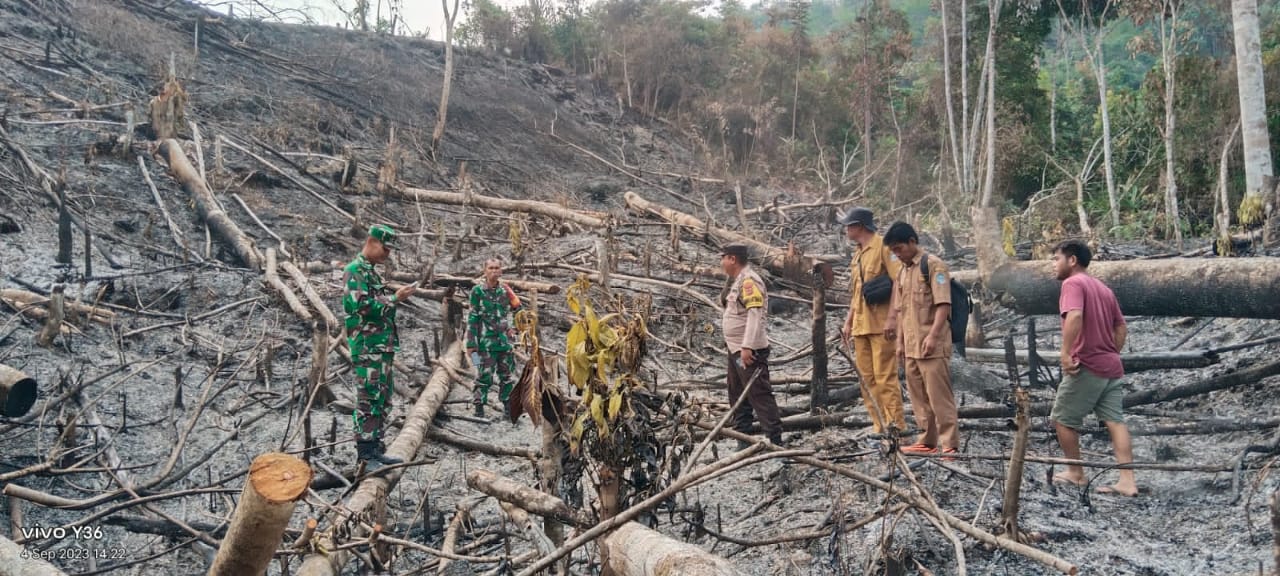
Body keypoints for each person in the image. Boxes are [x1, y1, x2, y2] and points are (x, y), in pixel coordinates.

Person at [1049, 240, 1138, 496]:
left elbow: (1074, 316)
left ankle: (1075, 473)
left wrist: (1066, 353)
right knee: (1115, 422)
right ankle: (1127, 480)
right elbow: (1121, 327)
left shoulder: (1073, 284)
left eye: (1056, 259)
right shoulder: (1103, 289)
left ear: (1072, 260)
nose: (1053, 265)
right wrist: (1111, 352)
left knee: (1063, 420)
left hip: (1086, 365)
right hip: (1111, 366)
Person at [343, 224, 416, 470]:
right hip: (366, 347)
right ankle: (365, 454)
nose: (387, 254)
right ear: (372, 242)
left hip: (381, 347)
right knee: (368, 398)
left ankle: (375, 449)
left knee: (382, 398)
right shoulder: (355, 271)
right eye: (385, 249)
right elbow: (362, 306)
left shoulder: (372, 272)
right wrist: (396, 298)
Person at [883, 222, 958, 456]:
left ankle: (950, 445)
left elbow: (943, 305)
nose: (897, 254)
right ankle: (927, 440)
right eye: (893, 251)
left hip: (931, 345)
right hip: (911, 346)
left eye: (900, 249)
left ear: (912, 242)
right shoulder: (903, 272)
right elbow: (903, 312)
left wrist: (934, 336)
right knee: (918, 397)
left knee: (939, 397)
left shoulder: (933, 266)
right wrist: (900, 345)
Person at [838, 207, 907, 437]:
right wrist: (848, 323)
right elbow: (856, 293)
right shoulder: (857, 254)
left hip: (881, 326)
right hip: (861, 326)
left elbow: (899, 282)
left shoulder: (884, 248)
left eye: (849, 225)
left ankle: (895, 426)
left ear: (860, 227)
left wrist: (892, 318)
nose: (846, 229)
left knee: (885, 377)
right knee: (866, 379)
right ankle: (879, 426)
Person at [718, 244, 783, 447]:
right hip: (735, 347)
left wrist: (747, 347)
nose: (721, 263)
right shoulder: (736, 281)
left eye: (724, 258)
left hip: (748, 350)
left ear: (732, 259)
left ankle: (775, 440)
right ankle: (743, 438)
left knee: (759, 393)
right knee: (736, 392)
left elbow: (755, 315)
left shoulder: (749, 281)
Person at [467, 257, 523, 418]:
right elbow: (472, 318)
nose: (493, 271)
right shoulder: (477, 291)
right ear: (485, 271)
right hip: (484, 344)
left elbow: (519, 309)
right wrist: (471, 344)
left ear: (501, 271)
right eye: (490, 268)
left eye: (496, 268)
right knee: (483, 375)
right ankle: (479, 408)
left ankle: (508, 408)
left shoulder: (505, 290)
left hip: (504, 344)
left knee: (506, 376)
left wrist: (515, 329)